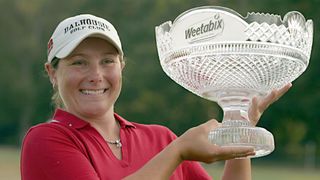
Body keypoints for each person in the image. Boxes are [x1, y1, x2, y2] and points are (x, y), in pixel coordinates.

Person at [20, 14, 291, 180]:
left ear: (121, 66)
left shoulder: (160, 139)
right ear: (52, 73)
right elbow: (176, 152)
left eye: (107, 61)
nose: (96, 75)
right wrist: (177, 152)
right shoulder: (45, 141)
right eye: (79, 62)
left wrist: (240, 124)